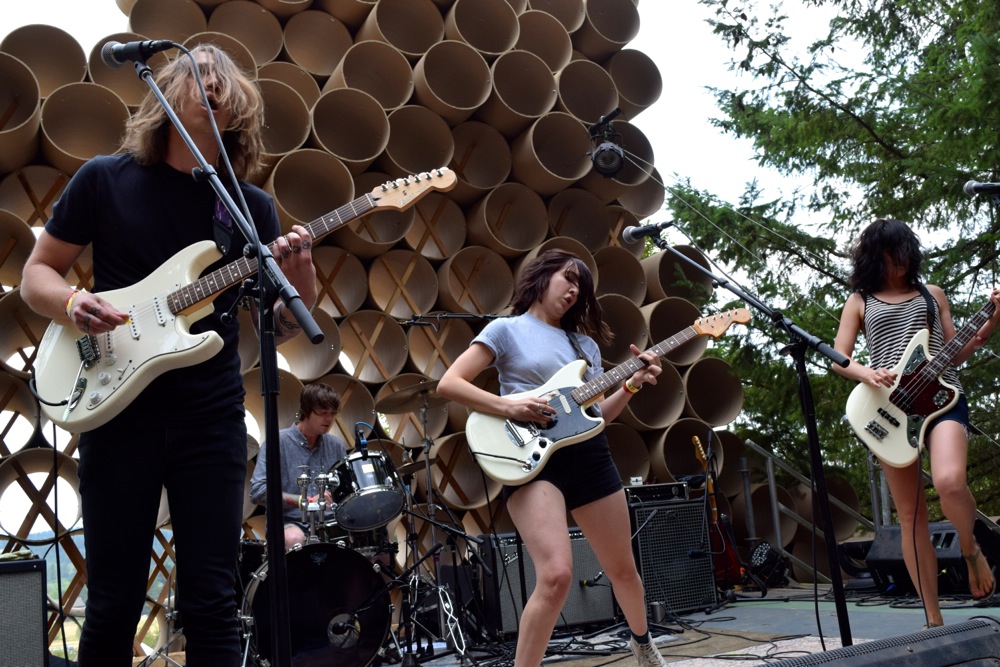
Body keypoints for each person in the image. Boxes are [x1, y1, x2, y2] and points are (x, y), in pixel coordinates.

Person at [20, 44, 317, 666]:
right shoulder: (105, 178)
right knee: (113, 601)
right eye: (201, 79)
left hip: (210, 418)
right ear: (168, 92)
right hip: (116, 412)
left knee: (211, 599)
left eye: (224, 85)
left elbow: (282, 327)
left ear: (239, 110)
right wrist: (73, 301)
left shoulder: (249, 207)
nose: (214, 91)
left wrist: (303, 273)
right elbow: (36, 275)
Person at [437, 249, 669, 667]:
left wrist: (632, 384)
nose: (574, 289)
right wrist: (510, 406)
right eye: (568, 278)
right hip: (530, 457)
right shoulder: (506, 330)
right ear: (542, 277)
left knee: (623, 570)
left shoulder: (583, 346)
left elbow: (598, 416)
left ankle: (642, 644)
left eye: (580, 286)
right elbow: (449, 383)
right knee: (557, 575)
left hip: (589, 458)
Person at [832, 217, 999, 628]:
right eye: (893, 255)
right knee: (911, 516)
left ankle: (968, 546)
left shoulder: (932, 294)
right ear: (876, 256)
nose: (902, 262)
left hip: (943, 399)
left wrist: (992, 320)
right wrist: (867, 373)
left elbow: (956, 350)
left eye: (907, 253)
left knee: (949, 482)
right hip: (890, 407)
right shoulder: (860, 300)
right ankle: (932, 618)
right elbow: (839, 358)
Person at [249, 382, 347, 549]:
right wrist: (305, 501)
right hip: (289, 522)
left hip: (330, 523)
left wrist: (336, 495)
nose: (329, 419)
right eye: (323, 413)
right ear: (306, 410)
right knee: (294, 538)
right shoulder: (277, 442)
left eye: (332, 414)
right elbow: (257, 491)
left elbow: (347, 490)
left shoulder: (336, 445)